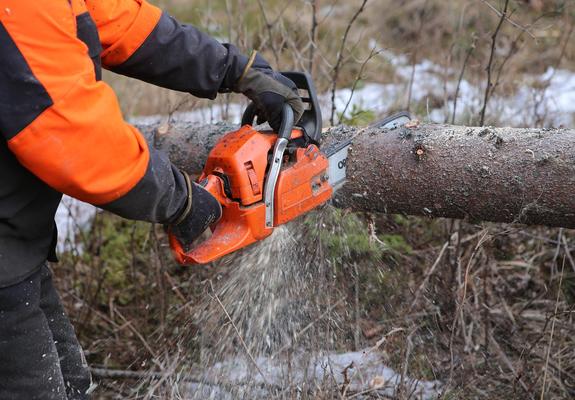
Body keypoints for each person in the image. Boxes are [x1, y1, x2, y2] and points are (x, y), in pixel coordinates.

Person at [0, 0, 304, 398]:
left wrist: (235, 70)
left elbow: (123, 23)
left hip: (17, 250)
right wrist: (181, 200)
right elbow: (72, 134)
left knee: (72, 385)